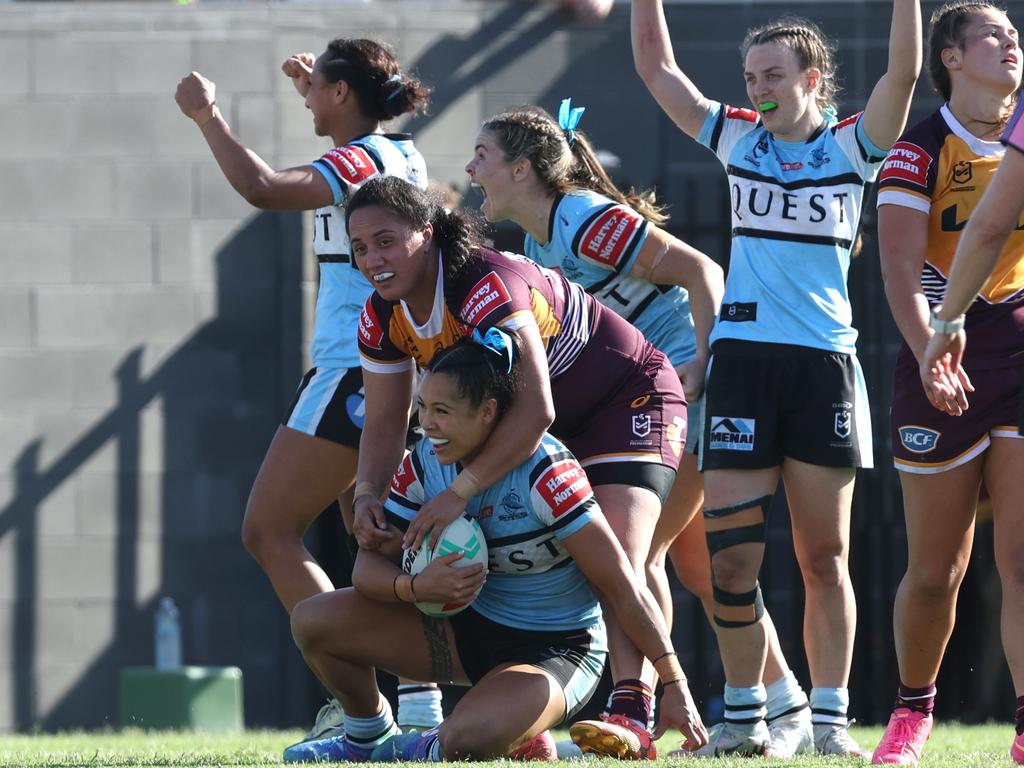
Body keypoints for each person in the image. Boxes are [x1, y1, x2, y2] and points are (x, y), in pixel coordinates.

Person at [465, 102, 812, 758]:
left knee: (634, 558)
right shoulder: (541, 242)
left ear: (520, 168)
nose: (469, 168)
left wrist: (701, 364)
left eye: (481, 154)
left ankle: (638, 715)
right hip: (649, 403)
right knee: (693, 569)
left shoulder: (582, 222)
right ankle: (784, 703)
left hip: (678, 397)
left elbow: (703, 272)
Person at [632, 0, 921, 756]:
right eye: (750, 75)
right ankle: (745, 719)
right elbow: (658, 71)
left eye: (773, 75)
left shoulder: (856, 145)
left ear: (811, 78)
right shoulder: (736, 136)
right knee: (731, 560)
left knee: (823, 558)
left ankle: (829, 725)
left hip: (824, 366)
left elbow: (906, 72)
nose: (759, 88)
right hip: (744, 363)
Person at [348, 173, 689, 758]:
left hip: (621, 399)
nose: (371, 259)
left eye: (385, 240)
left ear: (427, 232)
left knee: (618, 553)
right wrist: (366, 501)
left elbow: (535, 409)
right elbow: (383, 423)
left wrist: (459, 491)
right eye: (357, 248)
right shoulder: (382, 314)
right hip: (538, 421)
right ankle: (522, 722)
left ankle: (634, 708)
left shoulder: (484, 282)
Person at [174, 39, 443, 741]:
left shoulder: (361, 162)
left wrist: (208, 118)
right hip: (379, 367)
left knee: (268, 531)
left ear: (344, 95)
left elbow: (264, 188)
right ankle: (418, 712)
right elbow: (346, 145)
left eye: (318, 86)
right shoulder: (398, 154)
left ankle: (364, 718)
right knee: (376, 545)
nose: (308, 94)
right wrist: (312, 87)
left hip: (353, 370)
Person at [285, 331, 708, 763]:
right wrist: (413, 588)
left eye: (442, 411)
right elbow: (365, 572)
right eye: (424, 408)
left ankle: (433, 744)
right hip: (464, 634)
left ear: (488, 412)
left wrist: (673, 682)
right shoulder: (423, 462)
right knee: (314, 619)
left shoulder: (546, 472)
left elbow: (621, 586)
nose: (426, 424)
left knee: (468, 739)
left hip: (557, 650)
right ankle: (365, 736)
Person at [875, 3, 1024, 764]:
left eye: (1016, 36)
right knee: (937, 571)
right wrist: (930, 348)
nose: (1012, 45)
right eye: (994, 36)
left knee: (1022, 558)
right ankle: (911, 712)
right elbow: (901, 266)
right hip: (941, 349)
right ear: (951, 57)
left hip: (1021, 352)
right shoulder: (919, 148)